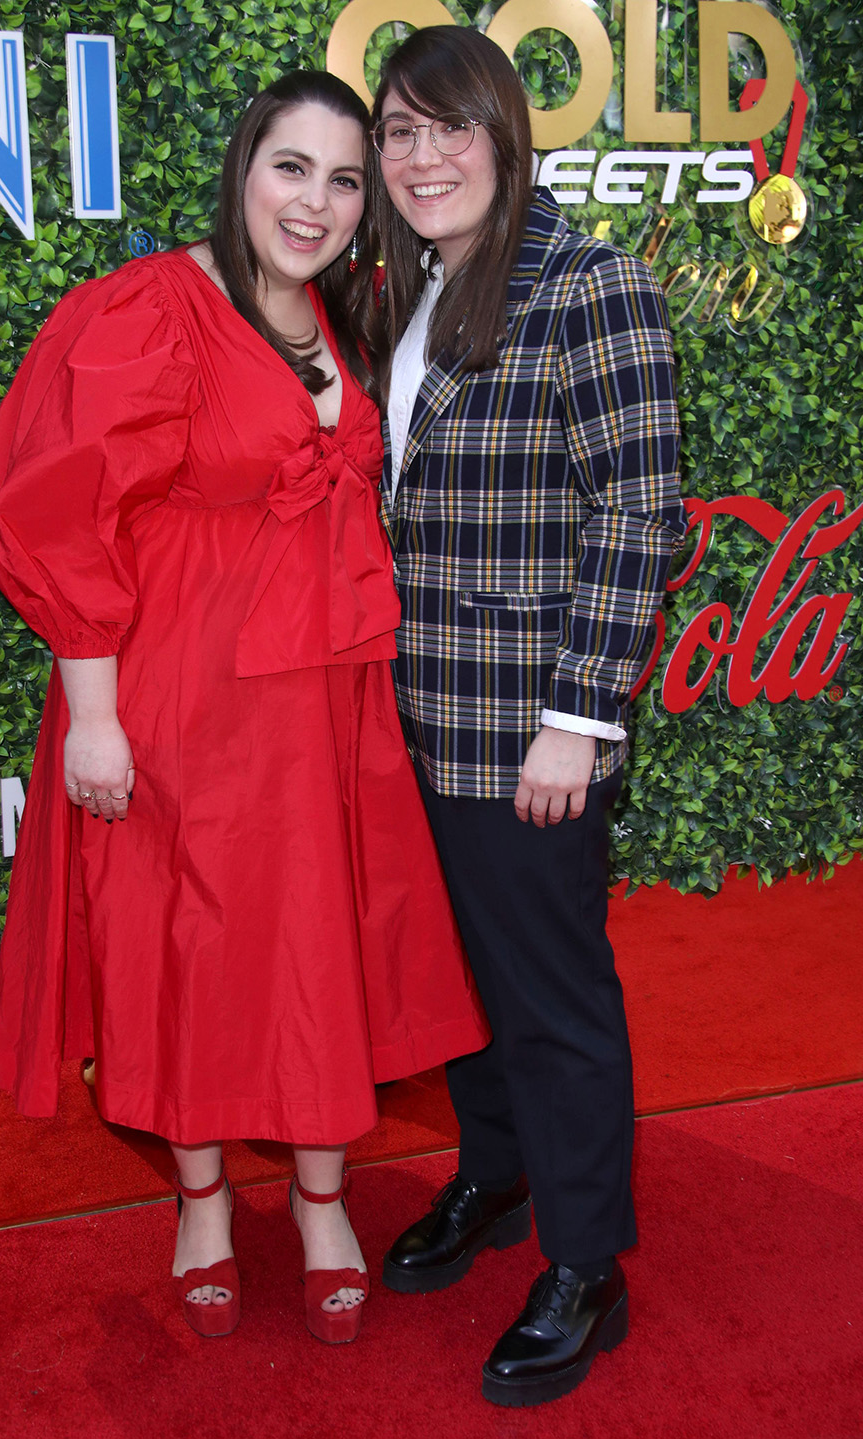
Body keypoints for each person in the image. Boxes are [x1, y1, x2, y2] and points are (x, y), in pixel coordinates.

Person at [0, 70, 488, 1346]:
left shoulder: (350, 314)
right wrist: (95, 717)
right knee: (181, 948)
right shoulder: (148, 307)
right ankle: (201, 1199)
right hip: (177, 695)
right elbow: (55, 516)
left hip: (320, 703)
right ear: (243, 164)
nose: (314, 201)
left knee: (315, 946)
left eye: (345, 178)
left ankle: (321, 1202)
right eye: (291, 167)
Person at [368, 27, 687, 1404]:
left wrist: (580, 711)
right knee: (464, 989)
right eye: (399, 132)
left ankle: (586, 1261)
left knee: (552, 999)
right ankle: (494, 1174)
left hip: (528, 725)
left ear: (506, 136)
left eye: (450, 128)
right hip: (415, 712)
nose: (423, 156)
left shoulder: (588, 282)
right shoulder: (409, 293)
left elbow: (639, 510)